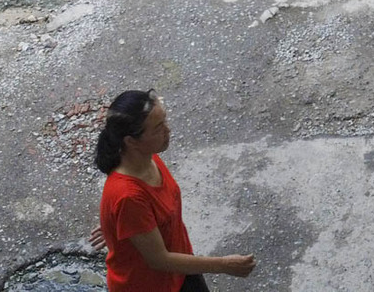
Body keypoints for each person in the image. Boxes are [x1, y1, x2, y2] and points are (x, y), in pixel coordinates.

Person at [94, 91, 256, 291]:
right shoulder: (128, 197)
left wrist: (125, 227)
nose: (168, 131)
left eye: (165, 122)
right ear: (131, 141)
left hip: (180, 269)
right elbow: (159, 260)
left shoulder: (149, 159)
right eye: (158, 128)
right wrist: (224, 265)